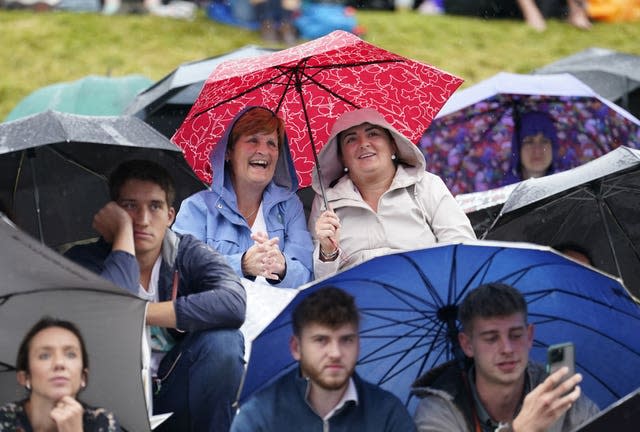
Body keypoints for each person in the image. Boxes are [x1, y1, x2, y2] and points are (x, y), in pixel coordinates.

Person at [65, 159, 246, 432]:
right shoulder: (84, 260)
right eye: (130, 206)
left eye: (155, 206)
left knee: (224, 342)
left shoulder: (185, 253)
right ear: (113, 212)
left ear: (170, 215)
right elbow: (107, 316)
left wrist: (142, 314)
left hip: (174, 390)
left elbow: (233, 303)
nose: (143, 219)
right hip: (112, 401)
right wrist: (123, 237)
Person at [309, 107, 476, 280]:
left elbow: (462, 249)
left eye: (373, 134)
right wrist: (327, 253)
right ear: (342, 157)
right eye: (351, 139)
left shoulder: (426, 185)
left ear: (393, 146)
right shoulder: (325, 203)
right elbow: (318, 283)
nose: (363, 144)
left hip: (427, 293)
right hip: (357, 301)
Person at [412, 282, 599, 432]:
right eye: (491, 338)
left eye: (516, 335)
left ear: (529, 336)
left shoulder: (554, 393)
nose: (507, 349)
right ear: (467, 345)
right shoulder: (439, 410)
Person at [230, 286, 417, 431]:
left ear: (358, 345)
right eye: (321, 340)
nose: (335, 353)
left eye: (346, 340)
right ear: (296, 347)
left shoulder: (387, 412)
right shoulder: (261, 415)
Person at [173, 106, 313, 288]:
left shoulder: (290, 206)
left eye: (272, 143)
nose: (263, 150)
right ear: (228, 152)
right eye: (253, 140)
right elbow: (180, 272)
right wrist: (242, 264)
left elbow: (307, 274)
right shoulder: (196, 208)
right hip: (220, 315)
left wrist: (284, 268)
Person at [0, 317, 121, 431]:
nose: (59, 363)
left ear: (83, 377)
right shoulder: (4, 421)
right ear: (25, 377)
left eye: (70, 354)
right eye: (44, 356)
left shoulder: (102, 422)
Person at [502, 111, 560, 185]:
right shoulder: (502, 193)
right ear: (517, 149)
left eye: (544, 141)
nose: (537, 150)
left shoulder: (569, 188)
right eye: (529, 141)